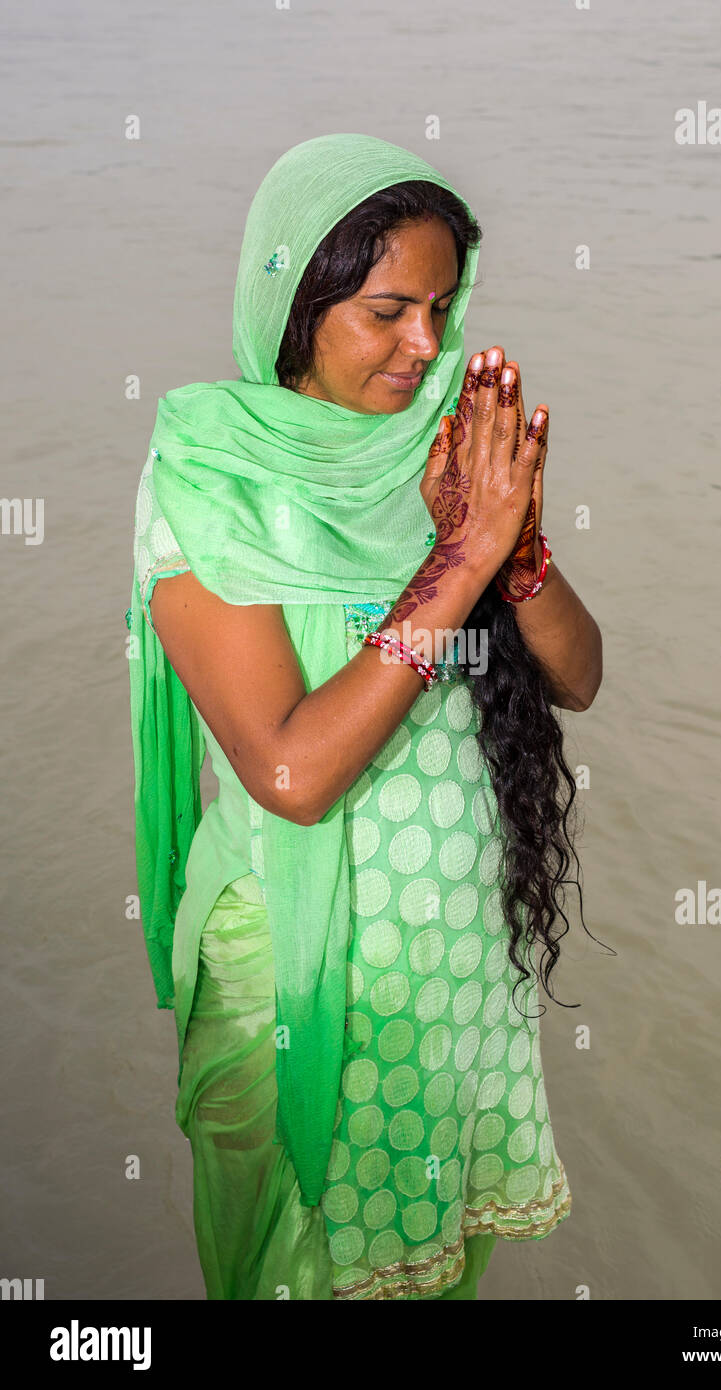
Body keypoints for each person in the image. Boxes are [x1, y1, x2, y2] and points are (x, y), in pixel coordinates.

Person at [127, 133, 603, 1301]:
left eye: (443, 307)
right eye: (389, 310)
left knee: (431, 1276)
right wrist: (458, 558)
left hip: (451, 962)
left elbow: (580, 677)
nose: (427, 345)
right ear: (296, 301)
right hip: (299, 979)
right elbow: (290, 771)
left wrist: (517, 548)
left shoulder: (432, 453)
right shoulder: (209, 477)